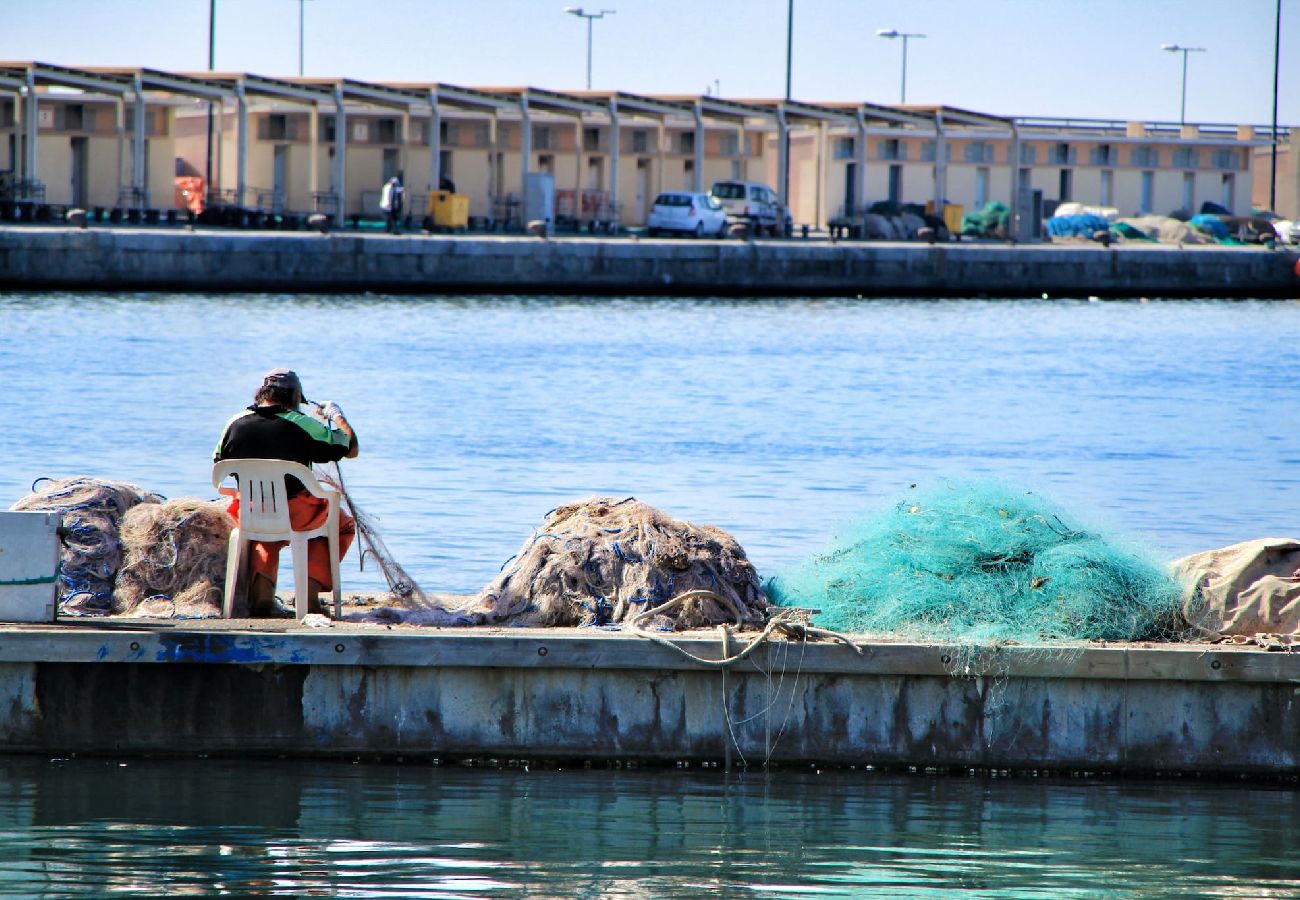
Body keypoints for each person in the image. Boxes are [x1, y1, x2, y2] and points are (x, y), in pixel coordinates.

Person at [214, 369, 359, 617]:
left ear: (262, 393)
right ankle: (310, 600)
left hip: (249, 510)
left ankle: (262, 599)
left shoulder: (234, 422)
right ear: (293, 396)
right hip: (296, 513)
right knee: (340, 525)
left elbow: (219, 462)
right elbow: (351, 447)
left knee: (264, 534)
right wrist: (336, 416)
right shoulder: (302, 423)